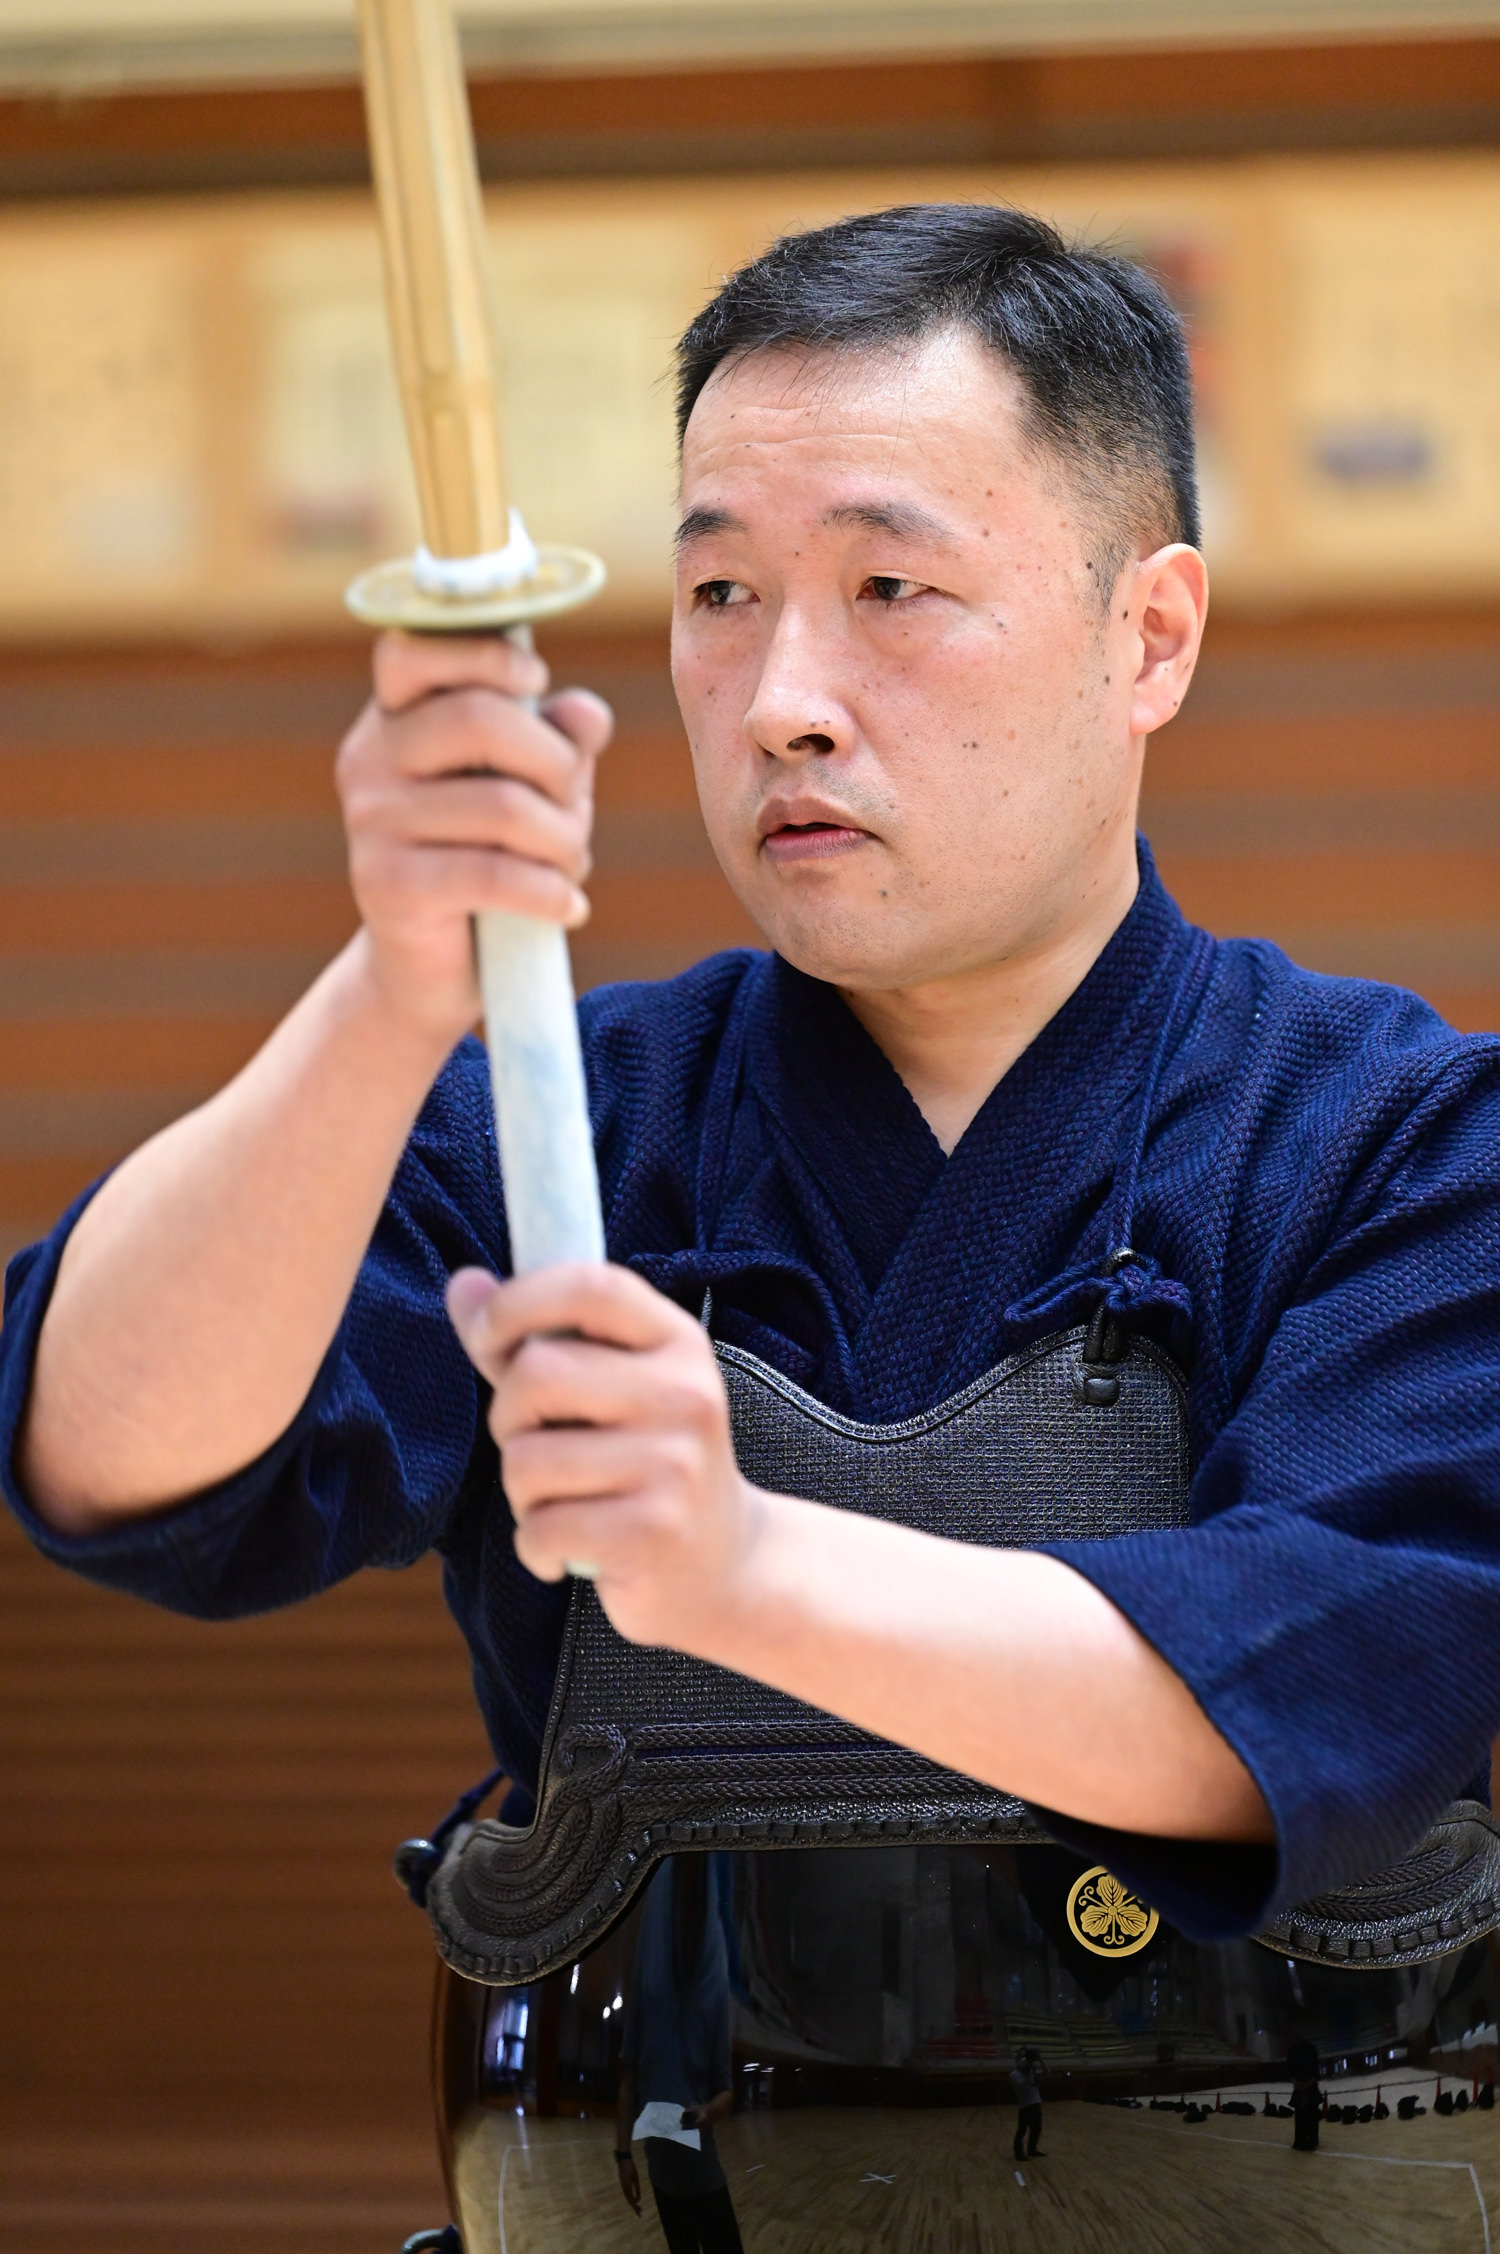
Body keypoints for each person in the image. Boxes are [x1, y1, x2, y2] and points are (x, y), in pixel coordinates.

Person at [5, 203, 1500, 1950]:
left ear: (1148, 636)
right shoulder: (574, 1125)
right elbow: (108, 1455)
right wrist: (396, 984)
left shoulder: (1401, 1142)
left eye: (892, 588)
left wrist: (739, 1563)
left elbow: (1321, 1679)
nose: (784, 694)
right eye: (722, 592)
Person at [614, 1858, 742, 2254]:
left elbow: (726, 2091)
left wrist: (708, 2114)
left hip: (704, 2175)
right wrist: (622, 2157)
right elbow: (628, 2081)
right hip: (663, 2177)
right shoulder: (647, 2000)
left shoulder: (712, 2003)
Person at [1009, 2047, 1045, 2162]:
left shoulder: (1031, 2071)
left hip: (1035, 2102)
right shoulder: (1014, 2074)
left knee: (1036, 2128)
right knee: (1022, 2130)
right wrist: (1029, 2072)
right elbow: (1023, 2087)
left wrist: (1041, 2061)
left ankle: (1032, 2149)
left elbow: (1047, 2072)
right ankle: (1018, 2153)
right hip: (1025, 2105)